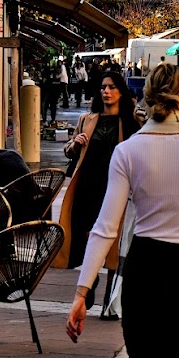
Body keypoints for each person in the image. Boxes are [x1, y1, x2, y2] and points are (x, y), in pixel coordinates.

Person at [65, 62, 179, 358]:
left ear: (147, 96)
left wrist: (82, 293)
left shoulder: (128, 150)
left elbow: (105, 228)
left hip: (144, 265)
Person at [55, 71, 145, 306]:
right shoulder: (88, 119)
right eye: (103, 87)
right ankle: (91, 281)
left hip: (116, 186)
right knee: (88, 235)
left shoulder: (131, 121)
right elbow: (69, 151)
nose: (106, 91)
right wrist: (75, 144)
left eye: (112, 87)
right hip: (88, 185)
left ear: (121, 92)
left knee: (115, 239)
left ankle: (111, 298)